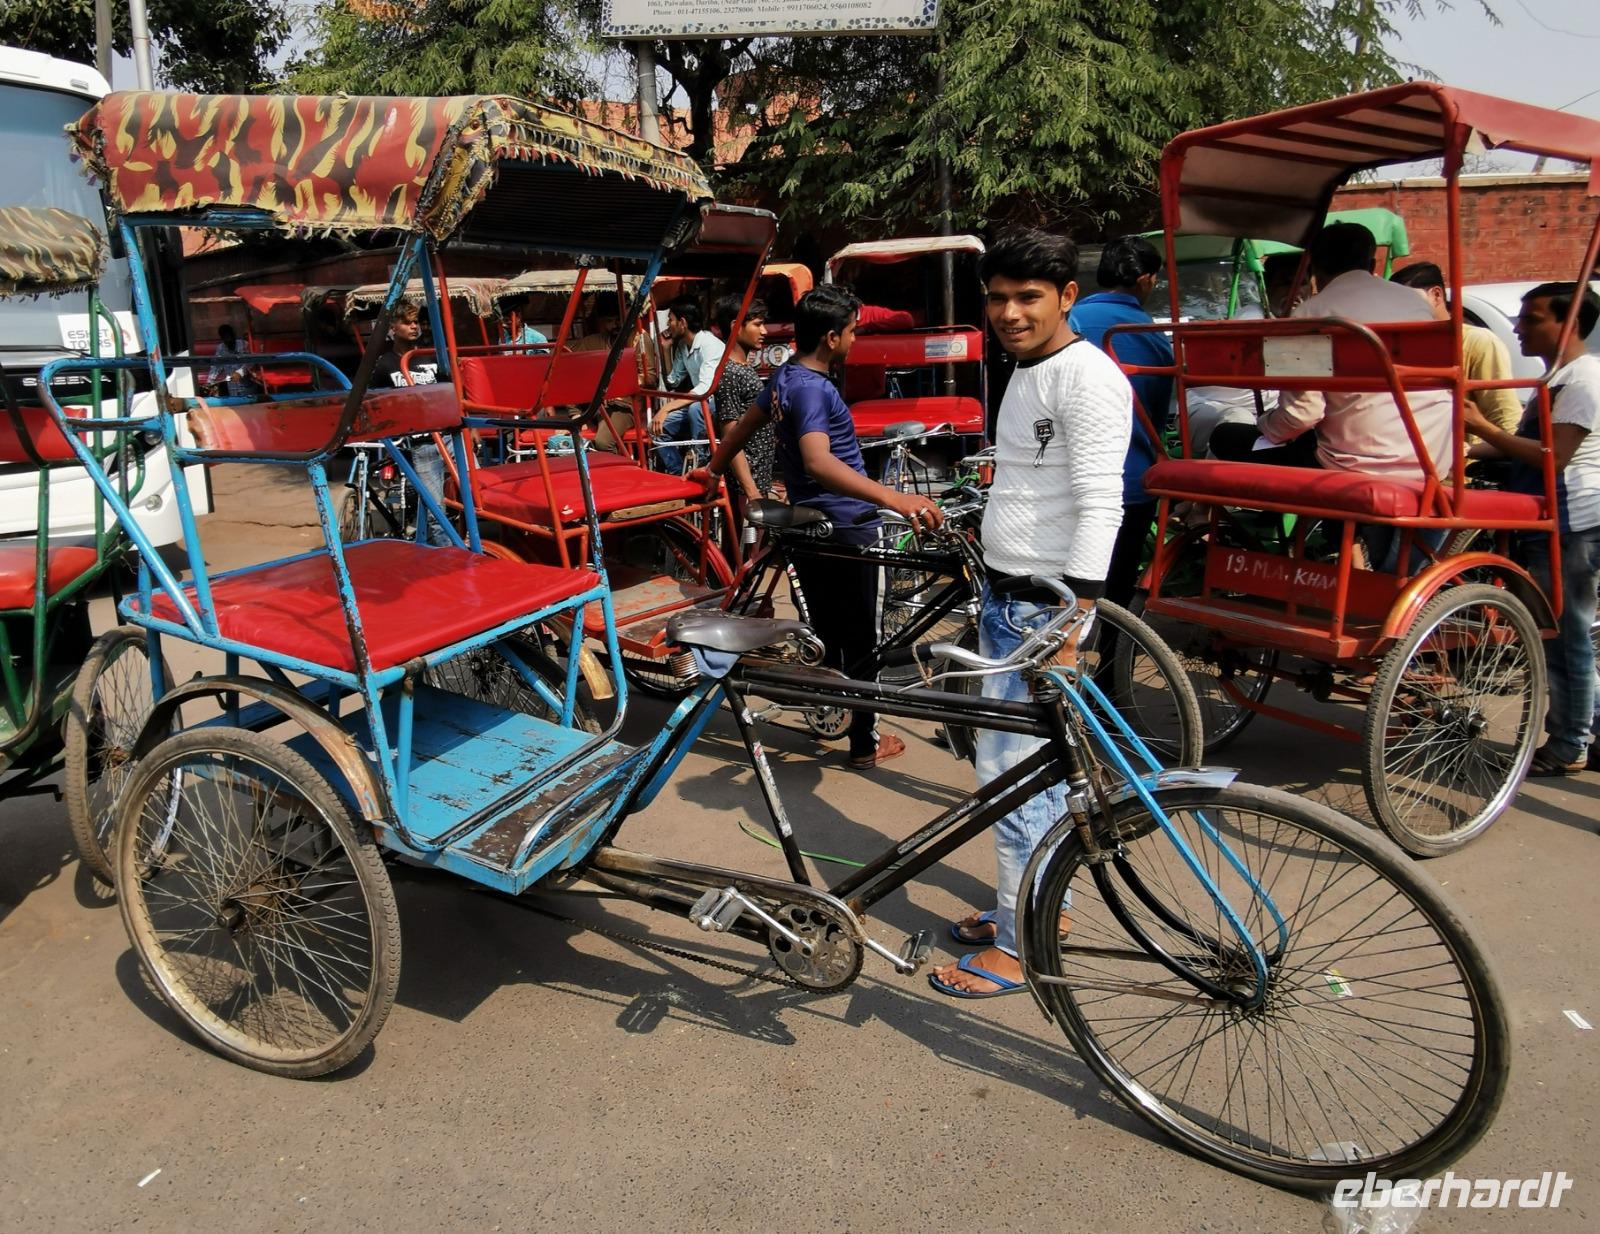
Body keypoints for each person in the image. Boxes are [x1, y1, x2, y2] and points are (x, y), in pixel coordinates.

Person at [929, 227, 1131, 999]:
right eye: (998, 298)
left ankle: (1018, 947)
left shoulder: (1084, 377)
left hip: (1041, 613)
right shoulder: (1029, 368)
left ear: (1067, 297)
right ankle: (1048, 908)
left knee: (1008, 780)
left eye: (1028, 298)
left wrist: (1073, 628)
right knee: (1033, 780)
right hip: (1010, 599)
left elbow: (1101, 503)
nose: (1009, 312)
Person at [693, 285, 942, 770]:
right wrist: (897, 497)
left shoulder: (786, 376)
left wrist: (713, 468)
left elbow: (742, 428)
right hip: (847, 529)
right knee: (863, 641)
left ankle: (838, 715)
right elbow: (819, 462)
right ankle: (864, 745)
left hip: (815, 529)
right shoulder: (812, 387)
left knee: (830, 633)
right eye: (851, 332)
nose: (854, 339)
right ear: (831, 338)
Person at [1207, 222, 1453, 570]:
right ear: (1371, 263)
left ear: (1314, 268)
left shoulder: (1309, 314)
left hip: (1356, 465)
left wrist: (1267, 427)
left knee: (1226, 436)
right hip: (1431, 456)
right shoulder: (1416, 303)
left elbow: (1300, 415)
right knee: (1318, 445)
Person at [1462, 282, 1600, 775]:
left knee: (1566, 634)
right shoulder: (1555, 378)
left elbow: (1554, 457)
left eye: (1533, 318)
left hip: (1570, 518)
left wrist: (1482, 427)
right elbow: (1517, 446)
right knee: (1564, 632)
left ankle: (1567, 744)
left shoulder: (1583, 379)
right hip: (1542, 515)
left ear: (1571, 323)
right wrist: (1458, 454)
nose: (1519, 327)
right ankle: (1588, 728)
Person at [1069, 235, 1174, 606]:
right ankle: (1111, 659)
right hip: (1132, 479)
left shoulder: (1070, 320)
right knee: (1118, 584)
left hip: (1072, 477)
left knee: (1067, 585)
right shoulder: (1155, 336)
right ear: (1146, 279)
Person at [1390, 261, 1523, 437]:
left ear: (1436, 295)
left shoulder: (1476, 341)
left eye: (1406, 301)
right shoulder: (1397, 343)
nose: (1399, 309)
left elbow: (1504, 417)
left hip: (1462, 458)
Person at [371, 302, 448, 546]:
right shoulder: (385, 365)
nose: (414, 326)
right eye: (407, 322)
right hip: (419, 443)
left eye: (416, 321)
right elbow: (377, 403)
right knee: (438, 510)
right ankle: (454, 557)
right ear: (393, 327)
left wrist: (473, 431)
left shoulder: (432, 356)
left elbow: (452, 391)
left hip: (448, 436)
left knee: (477, 493)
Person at [710, 293, 776, 499]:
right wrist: (750, 489)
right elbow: (730, 433)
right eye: (757, 324)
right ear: (735, 326)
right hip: (747, 484)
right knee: (748, 533)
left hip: (759, 475)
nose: (764, 331)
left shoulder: (742, 367)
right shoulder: (730, 373)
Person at [653, 296, 724, 474]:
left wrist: (667, 408)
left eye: (671, 320)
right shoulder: (683, 347)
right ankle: (679, 473)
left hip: (717, 402)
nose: (668, 325)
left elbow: (705, 389)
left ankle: (700, 463)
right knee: (656, 428)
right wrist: (666, 349)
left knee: (695, 409)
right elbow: (673, 381)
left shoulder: (709, 345)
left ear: (682, 322)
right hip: (698, 403)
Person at [204, 324, 262, 399]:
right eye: (225, 339)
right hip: (232, 388)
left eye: (230, 338)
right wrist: (210, 381)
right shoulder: (221, 348)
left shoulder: (244, 344)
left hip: (247, 385)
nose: (228, 341)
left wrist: (240, 372)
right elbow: (216, 367)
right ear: (222, 339)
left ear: (234, 335)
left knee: (249, 404)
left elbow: (251, 362)